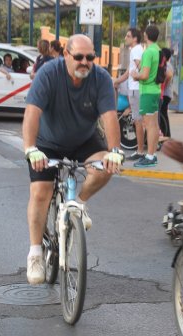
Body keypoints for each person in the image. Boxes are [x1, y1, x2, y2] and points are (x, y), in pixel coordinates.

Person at [22, 34, 123, 284]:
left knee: (104, 169)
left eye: (90, 57)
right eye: (78, 57)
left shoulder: (101, 79)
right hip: (48, 141)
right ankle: (35, 252)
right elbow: (32, 113)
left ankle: (78, 204)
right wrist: (30, 148)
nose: (84, 62)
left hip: (83, 139)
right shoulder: (48, 74)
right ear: (66, 55)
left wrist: (115, 151)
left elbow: (110, 117)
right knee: (40, 192)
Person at [131, 24, 162, 168]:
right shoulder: (158, 50)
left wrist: (135, 76)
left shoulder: (148, 52)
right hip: (155, 90)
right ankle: (153, 154)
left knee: (149, 125)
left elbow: (144, 74)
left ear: (146, 36)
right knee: (154, 125)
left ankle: (149, 156)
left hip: (147, 91)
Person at [113, 28, 143, 160]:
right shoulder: (135, 50)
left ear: (135, 38)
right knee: (138, 120)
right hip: (134, 88)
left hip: (136, 88)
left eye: (128, 36)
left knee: (138, 121)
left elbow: (140, 67)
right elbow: (129, 72)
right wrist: (117, 81)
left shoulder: (136, 49)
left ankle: (140, 151)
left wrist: (138, 75)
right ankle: (140, 150)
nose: (126, 38)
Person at [159, 47, 174, 139]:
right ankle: (167, 134)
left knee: (162, 115)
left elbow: (168, 75)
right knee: (164, 114)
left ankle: (165, 134)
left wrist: (163, 85)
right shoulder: (169, 65)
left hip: (165, 94)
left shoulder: (167, 65)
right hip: (167, 94)